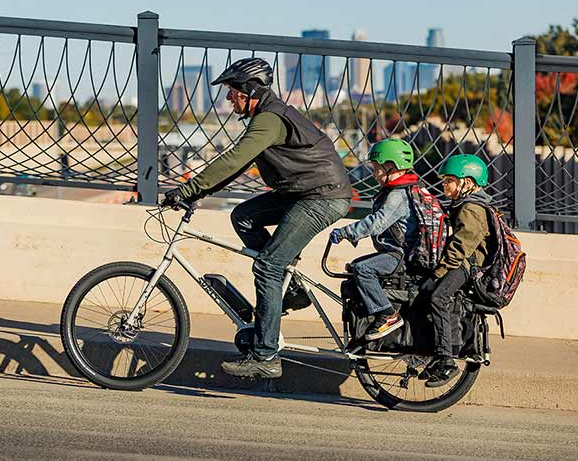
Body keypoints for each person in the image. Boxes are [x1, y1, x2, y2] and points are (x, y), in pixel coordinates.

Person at [162, 57, 352, 379]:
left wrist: (188, 188)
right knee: (245, 216)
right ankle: (291, 291)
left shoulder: (269, 119)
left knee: (267, 265)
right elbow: (236, 167)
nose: (227, 98)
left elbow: (234, 159)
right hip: (303, 191)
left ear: (249, 90)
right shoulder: (267, 116)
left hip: (321, 196)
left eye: (231, 91)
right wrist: (195, 194)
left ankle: (265, 356)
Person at [329, 139, 419, 342]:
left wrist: (347, 232)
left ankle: (388, 315)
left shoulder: (398, 195)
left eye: (377, 169)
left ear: (391, 166)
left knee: (364, 269)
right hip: (396, 253)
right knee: (357, 266)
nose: (374, 174)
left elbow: (377, 222)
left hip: (401, 256)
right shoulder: (403, 190)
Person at [420, 154, 493, 388]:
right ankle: (440, 351)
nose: (444, 185)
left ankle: (447, 360)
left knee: (439, 297)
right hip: (462, 263)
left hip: (466, 265)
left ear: (467, 183)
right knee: (431, 295)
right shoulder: (464, 204)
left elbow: (462, 245)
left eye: (450, 180)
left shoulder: (471, 207)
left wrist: (439, 271)